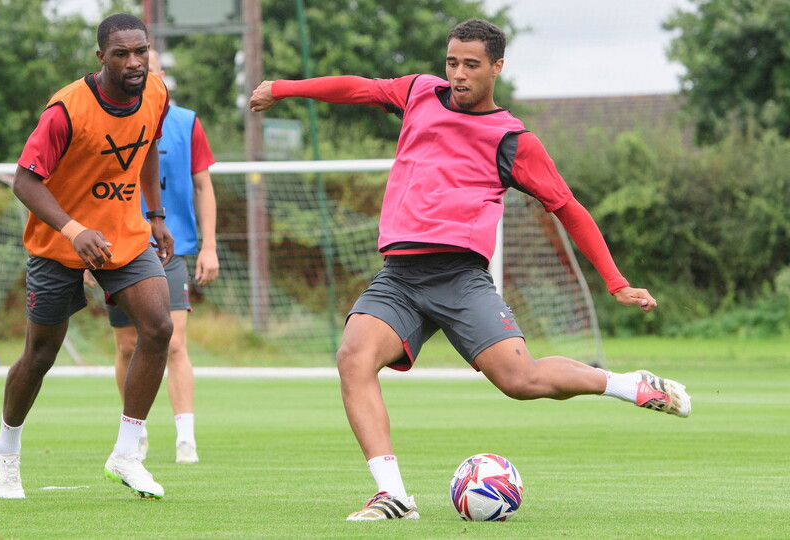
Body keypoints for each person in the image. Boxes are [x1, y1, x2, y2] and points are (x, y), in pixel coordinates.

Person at [249, 18, 691, 521]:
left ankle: (630, 385)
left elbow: (568, 207)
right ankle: (393, 496)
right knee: (353, 358)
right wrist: (284, 89)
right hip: (400, 277)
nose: (458, 74)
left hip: (460, 279)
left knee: (522, 382)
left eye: (471, 65)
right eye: (452, 62)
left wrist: (617, 283)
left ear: (497, 67)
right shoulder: (418, 92)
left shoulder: (513, 140)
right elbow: (358, 88)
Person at [0, 13, 174, 501]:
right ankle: (5, 448)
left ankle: (127, 454)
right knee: (40, 355)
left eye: (141, 51)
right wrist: (73, 230)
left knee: (158, 327)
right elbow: (25, 181)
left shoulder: (156, 91)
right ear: (101, 57)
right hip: (59, 244)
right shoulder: (67, 109)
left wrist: (155, 213)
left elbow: (150, 144)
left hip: (126, 239)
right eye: (121, 54)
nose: (134, 62)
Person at [85, 49, 218, 465]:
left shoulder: (186, 122)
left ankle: (186, 439)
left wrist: (209, 245)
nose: (138, 70)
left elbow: (203, 186)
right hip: (117, 247)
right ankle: (134, 434)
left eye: (149, 65)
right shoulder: (102, 116)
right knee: (127, 346)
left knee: (174, 341)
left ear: (161, 77)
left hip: (168, 246)